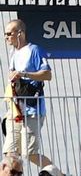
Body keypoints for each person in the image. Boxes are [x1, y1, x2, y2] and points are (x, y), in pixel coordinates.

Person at [3, 20, 54, 174]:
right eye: (5, 35)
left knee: (30, 153)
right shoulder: (13, 54)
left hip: (32, 109)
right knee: (10, 153)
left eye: (9, 34)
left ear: (20, 33)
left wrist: (24, 74)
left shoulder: (34, 50)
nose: (6, 38)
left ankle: (57, 173)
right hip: (16, 110)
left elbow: (48, 74)